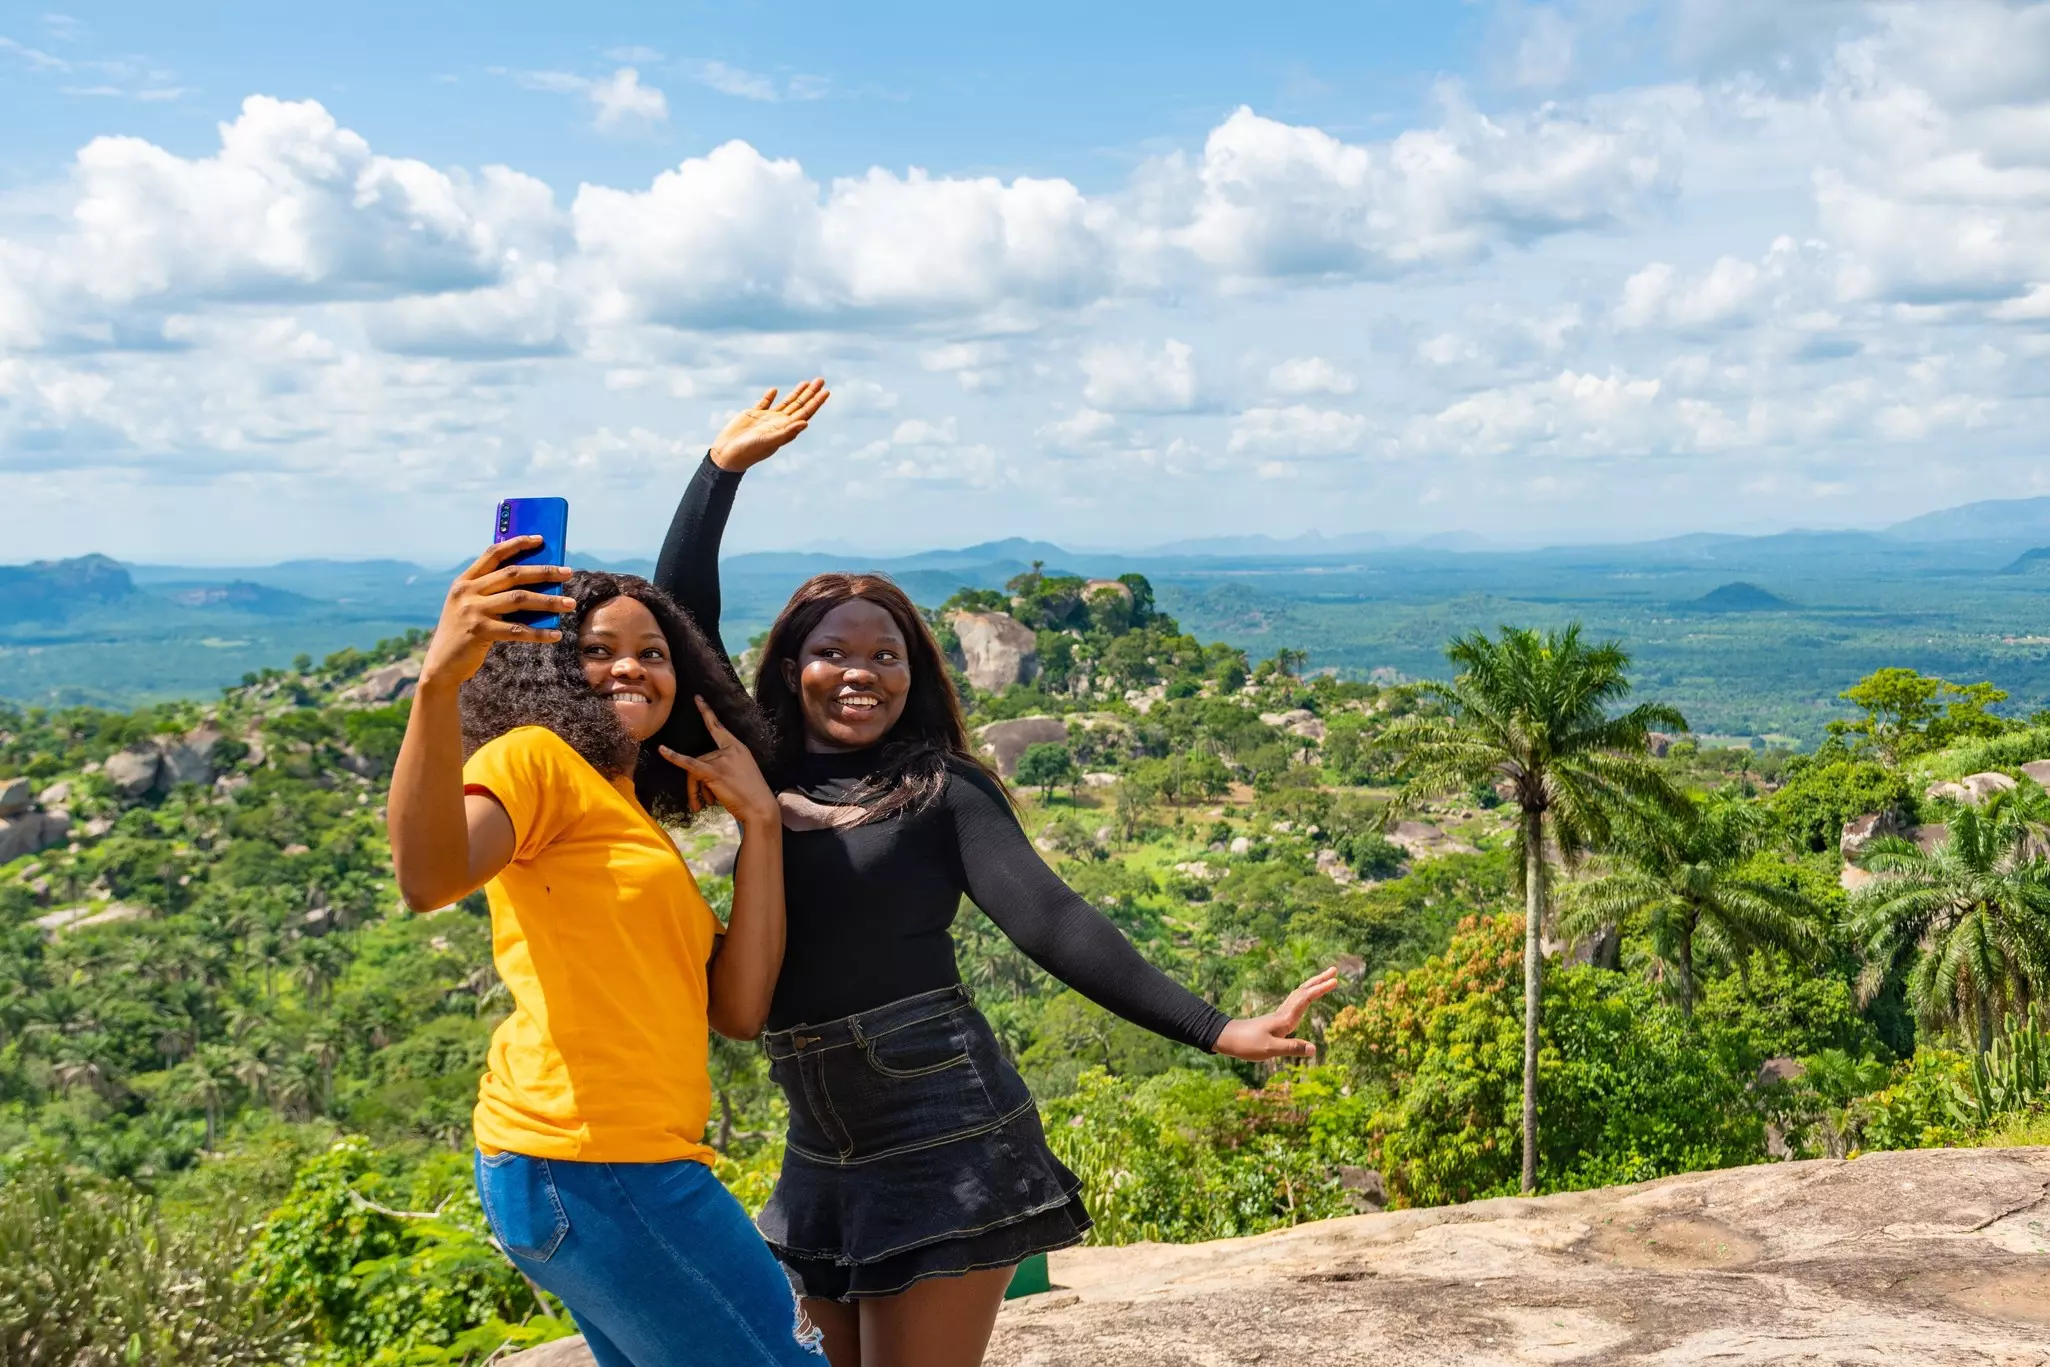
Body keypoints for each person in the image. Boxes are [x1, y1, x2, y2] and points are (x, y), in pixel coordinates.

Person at [653, 380, 1340, 1367]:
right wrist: (720, 469)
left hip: (941, 1123)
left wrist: (1216, 1026)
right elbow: (679, 626)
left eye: (885, 654)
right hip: (818, 1140)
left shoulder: (944, 789)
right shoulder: (760, 771)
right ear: (790, 666)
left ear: (914, 671)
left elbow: (1053, 920)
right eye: (832, 651)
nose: (860, 671)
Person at [387, 534, 825, 1365]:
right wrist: (438, 681)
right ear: (550, 669)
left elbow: (737, 1010)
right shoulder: (535, 758)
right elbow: (429, 877)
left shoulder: (622, 805)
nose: (631, 667)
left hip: (609, 1165)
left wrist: (761, 825)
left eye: (653, 653)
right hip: (592, 1161)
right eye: (597, 650)